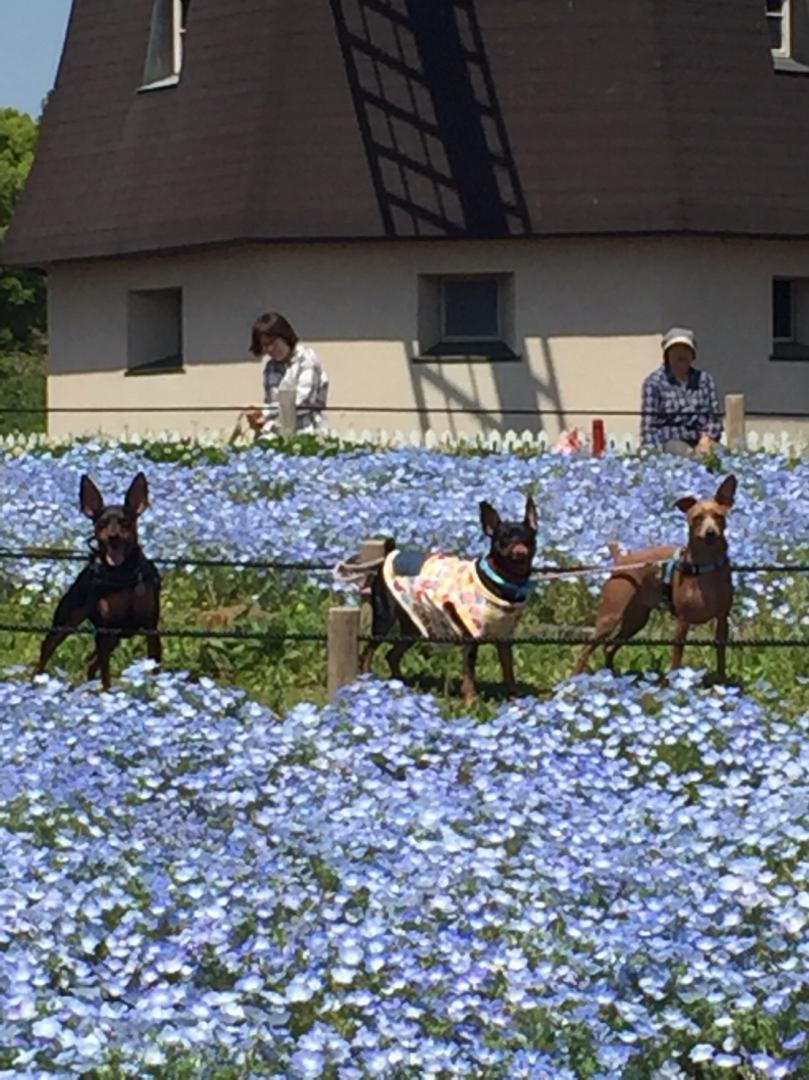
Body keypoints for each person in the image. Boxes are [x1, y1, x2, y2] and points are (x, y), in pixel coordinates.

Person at [640, 327, 722, 455]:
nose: (681, 354)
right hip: (670, 442)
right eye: (676, 349)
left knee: (720, 455)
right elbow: (648, 428)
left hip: (701, 440)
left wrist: (706, 438)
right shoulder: (654, 383)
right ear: (667, 354)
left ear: (693, 355)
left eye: (686, 349)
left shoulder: (704, 380)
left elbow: (714, 417)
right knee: (686, 454)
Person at [244, 312, 329, 434]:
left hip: (309, 434)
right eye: (264, 346)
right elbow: (271, 403)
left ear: (284, 336)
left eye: (272, 342)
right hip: (280, 432)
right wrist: (259, 419)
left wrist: (264, 412)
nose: (269, 349)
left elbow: (303, 403)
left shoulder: (306, 360)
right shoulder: (271, 367)